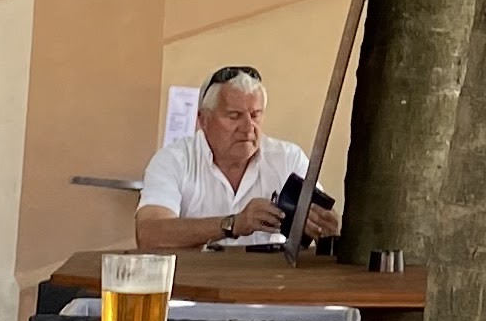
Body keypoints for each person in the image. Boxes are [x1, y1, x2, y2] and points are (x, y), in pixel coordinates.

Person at [135, 63, 340, 253]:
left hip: (271, 278)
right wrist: (232, 224)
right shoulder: (173, 160)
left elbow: (322, 227)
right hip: (194, 279)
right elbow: (150, 235)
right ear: (203, 120)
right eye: (234, 116)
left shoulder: (288, 159)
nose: (248, 127)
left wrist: (326, 228)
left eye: (255, 115)